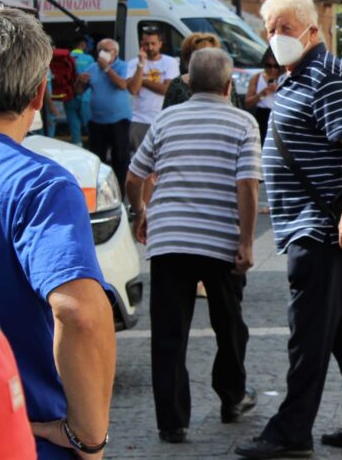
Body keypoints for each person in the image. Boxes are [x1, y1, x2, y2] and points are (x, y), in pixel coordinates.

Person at [235, 0, 342, 459]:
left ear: (312, 30)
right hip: (323, 226)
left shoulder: (324, 76)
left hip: (322, 229)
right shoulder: (295, 76)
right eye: (270, 28)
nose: (275, 36)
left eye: (285, 27)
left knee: (308, 332)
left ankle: (291, 431)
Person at [0, 4, 116, 459]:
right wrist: (87, 437)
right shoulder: (38, 184)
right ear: (38, 95)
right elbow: (80, 314)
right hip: (12, 433)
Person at [126, 48, 261, 445]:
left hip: (169, 239)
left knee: (169, 333)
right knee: (230, 326)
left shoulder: (166, 118)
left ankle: (172, 422)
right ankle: (232, 396)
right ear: (228, 84)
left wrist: (141, 212)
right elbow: (248, 187)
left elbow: (134, 177)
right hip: (220, 242)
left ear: (186, 82)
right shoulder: (243, 122)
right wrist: (247, 242)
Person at [80, 38, 132, 193]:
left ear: (115, 52)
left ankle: (121, 193)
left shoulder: (123, 66)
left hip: (119, 120)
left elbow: (123, 84)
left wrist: (107, 69)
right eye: (101, 49)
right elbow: (79, 91)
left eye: (107, 50)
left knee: (120, 159)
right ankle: (100, 192)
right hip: (97, 121)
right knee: (97, 158)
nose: (103, 53)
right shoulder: (92, 67)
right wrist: (80, 81)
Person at [127, 26, 179, 152]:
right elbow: (133, 89)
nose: (150, 48)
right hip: (139, 119)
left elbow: (166, 89)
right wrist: (141, 64)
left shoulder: (170, 62)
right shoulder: (134, 63)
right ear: (141, 44)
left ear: (160, 44)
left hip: (163, 119)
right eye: (146, 44)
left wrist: (143, 81)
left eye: (153, 44)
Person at [163, 32, 220, 109]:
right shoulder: (177, 84)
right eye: (200, 57)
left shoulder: (226, 83)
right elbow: (167, 115)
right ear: (188, 59)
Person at [245, 47, 281, 143]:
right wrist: (263, 93)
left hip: (278, 114)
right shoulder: (257, 77)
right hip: (262, 115)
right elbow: (248, 103)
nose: (272, 69)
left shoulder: (285, 78)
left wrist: (279, 90)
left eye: (276, 66)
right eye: (269, 66)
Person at [65, 37, 94, 147]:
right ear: (83, 45)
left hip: (69, 96)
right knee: (89, 125)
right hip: (85, 97)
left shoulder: (67, 58)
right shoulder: (89, 58)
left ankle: (77, 145)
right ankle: (93, 147)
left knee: (74, 126)